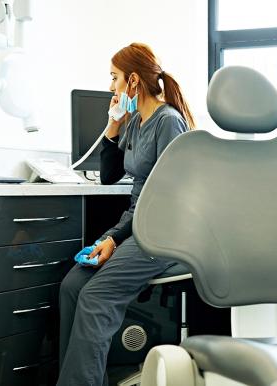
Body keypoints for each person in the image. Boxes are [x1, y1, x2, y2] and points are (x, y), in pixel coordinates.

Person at [57, 42, 196, 386]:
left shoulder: (168, 122)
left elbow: (165, 199)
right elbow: (109, 176)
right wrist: (113, 124)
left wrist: (114, 238)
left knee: (96, 296)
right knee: (72, 285)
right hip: (137, 226)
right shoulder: (136, 123)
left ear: (133, 81)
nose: (110, 87)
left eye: (114, 78)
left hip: (163, 232)